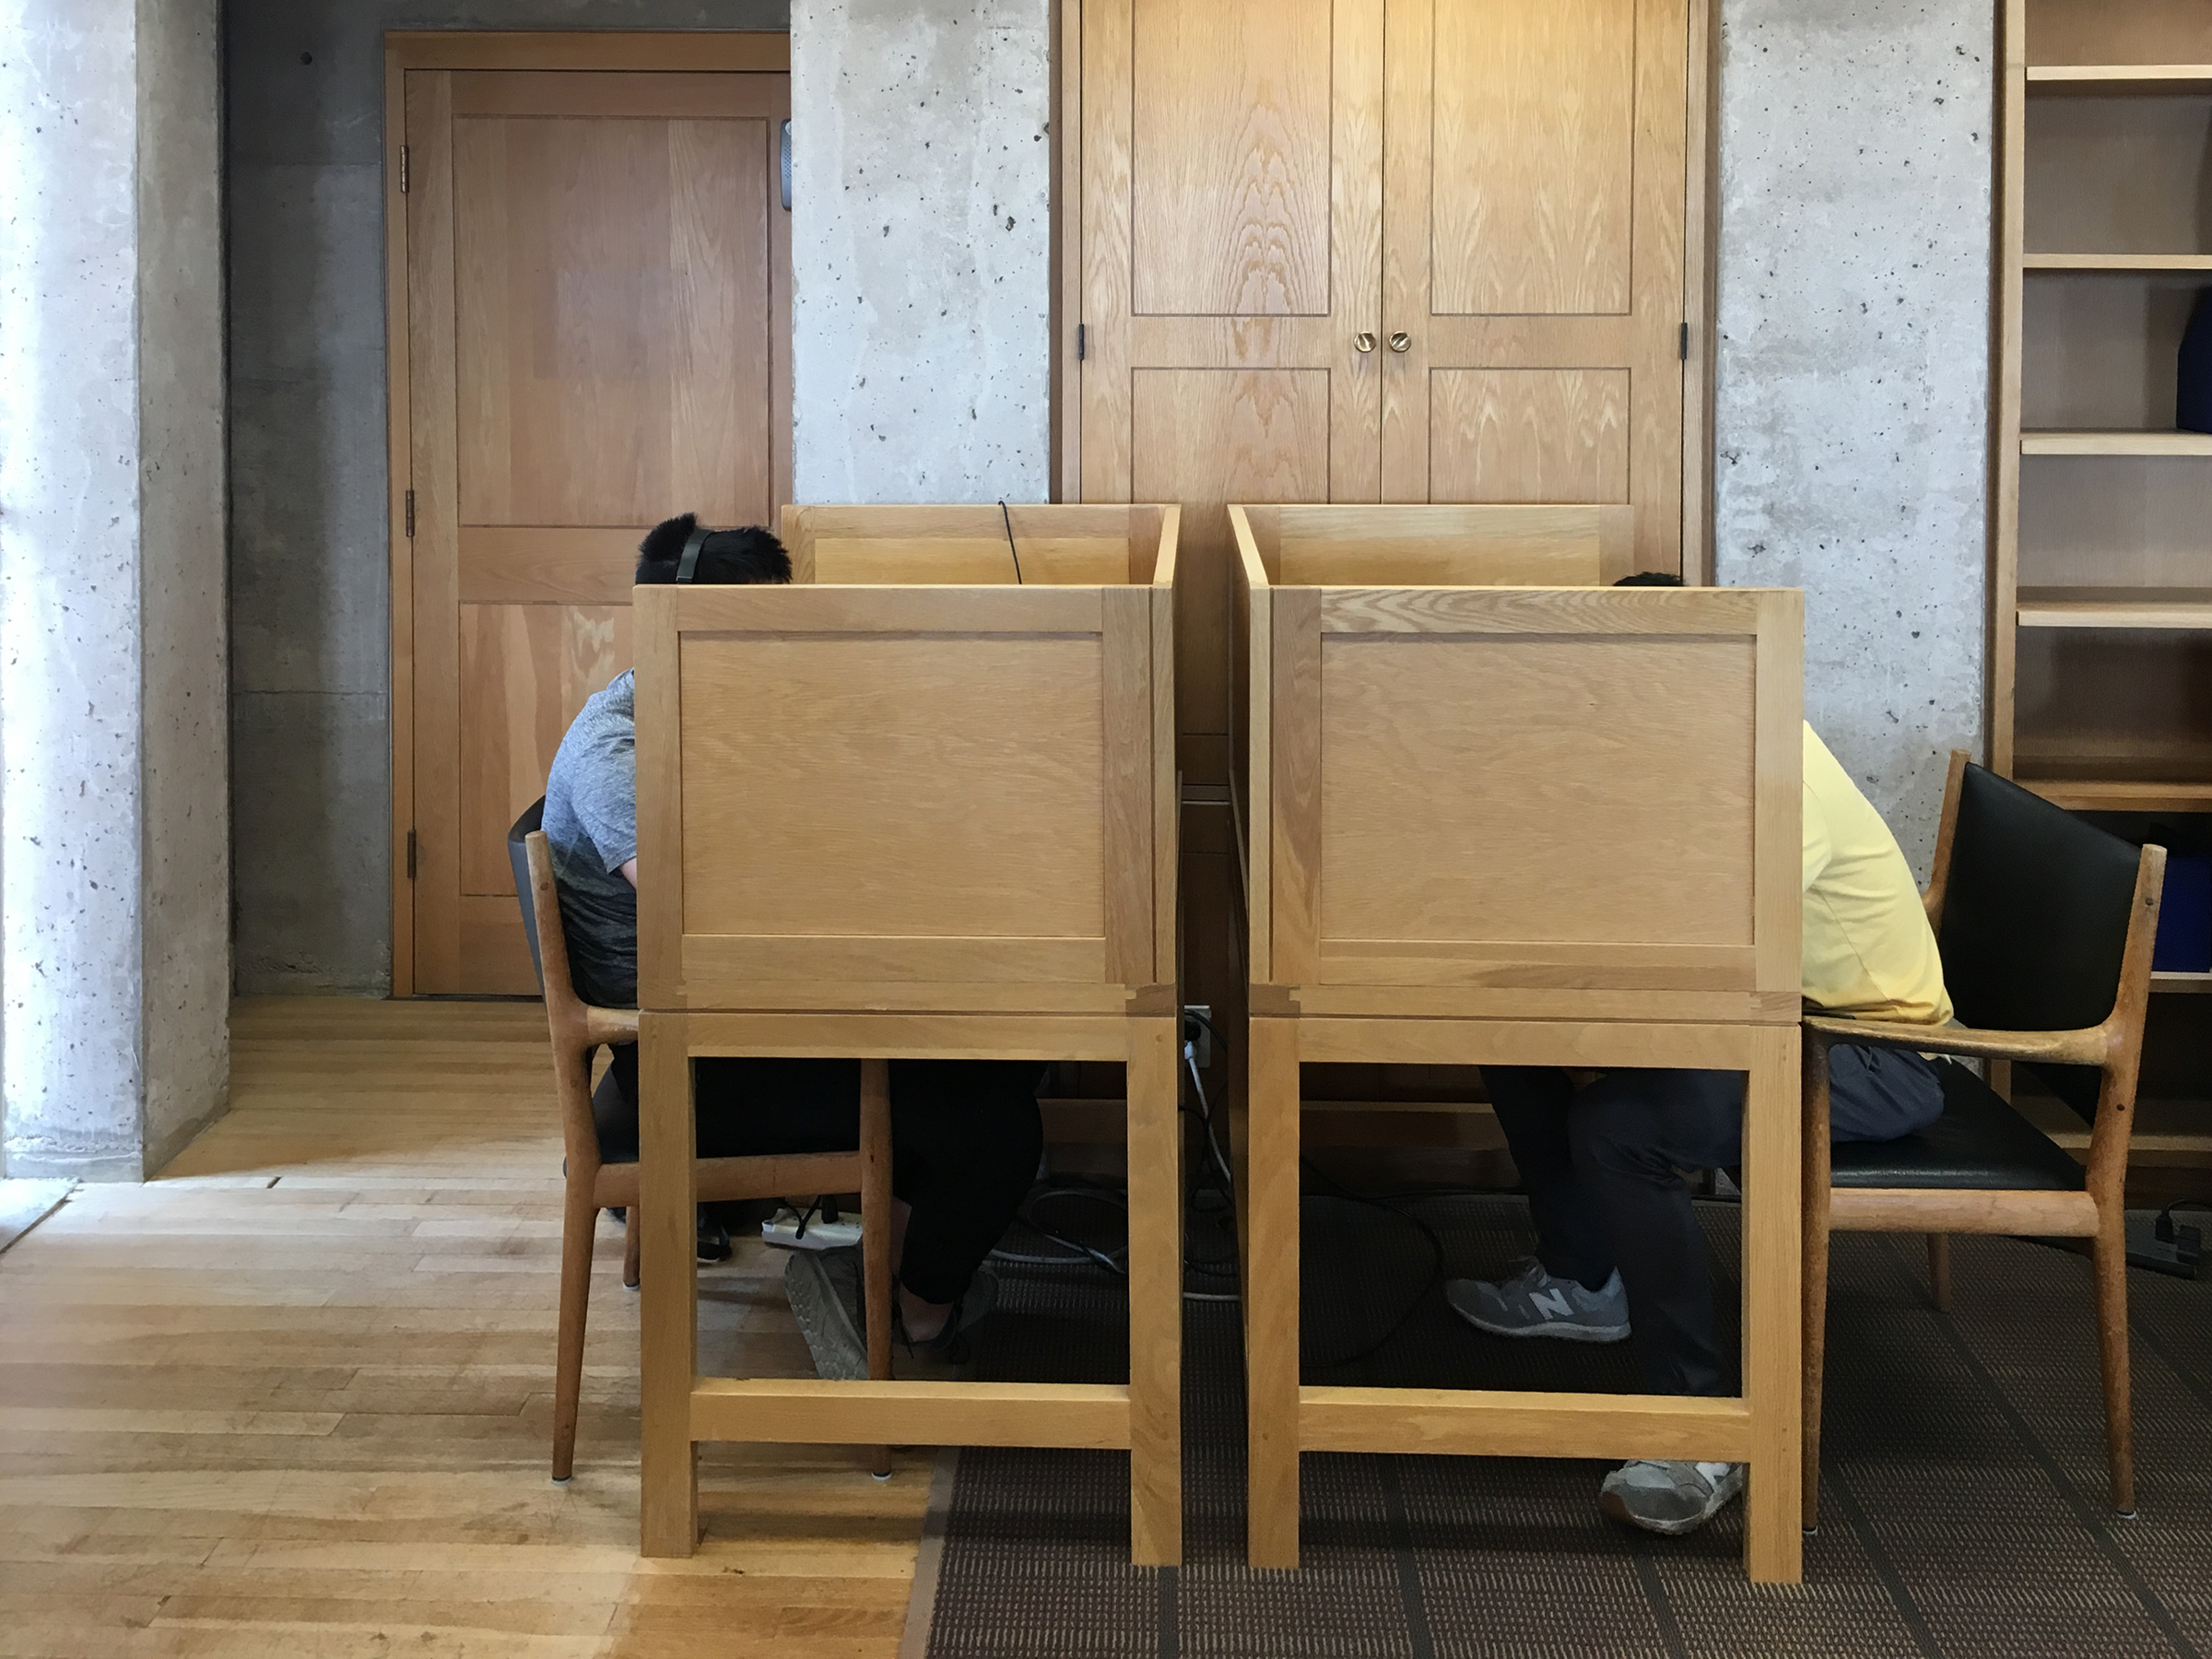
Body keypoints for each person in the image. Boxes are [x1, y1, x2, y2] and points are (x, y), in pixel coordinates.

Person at [543, 514, 1044, 1377]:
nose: (779, 649)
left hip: (748, 1023)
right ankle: (919, 1319)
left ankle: (896, 1263)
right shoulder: (614, 749)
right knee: (995, 1125)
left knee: (1011, 1054)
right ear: (690, 628)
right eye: (759, 629)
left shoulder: (708, 714)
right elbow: (697, 906)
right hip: (691, 1064)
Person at [1446, 718, 1952, 1537]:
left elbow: (1720, 946)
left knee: (1620, 1128)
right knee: (1515, 1050)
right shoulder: (1715, 746)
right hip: (1789, 1022)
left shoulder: (1784, 785)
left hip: (1869, 1053)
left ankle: (1704, 1430)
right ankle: (1585, 1279)